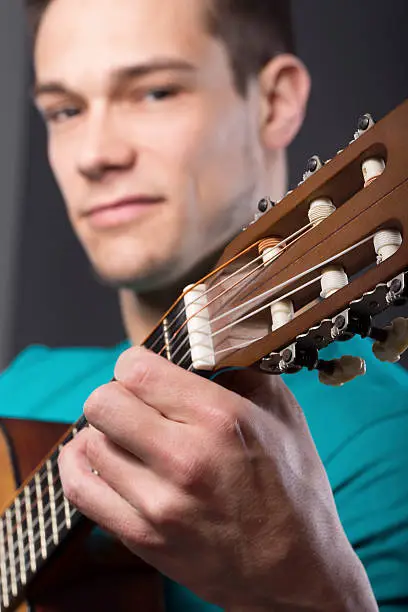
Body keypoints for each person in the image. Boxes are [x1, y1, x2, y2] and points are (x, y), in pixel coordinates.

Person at [1, 0, 407, 609]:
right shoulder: (20, 390)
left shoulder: (386, 444)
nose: (95, 154)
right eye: (65, 110)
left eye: (155, 92)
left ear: (275, 102)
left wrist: (305, 589)